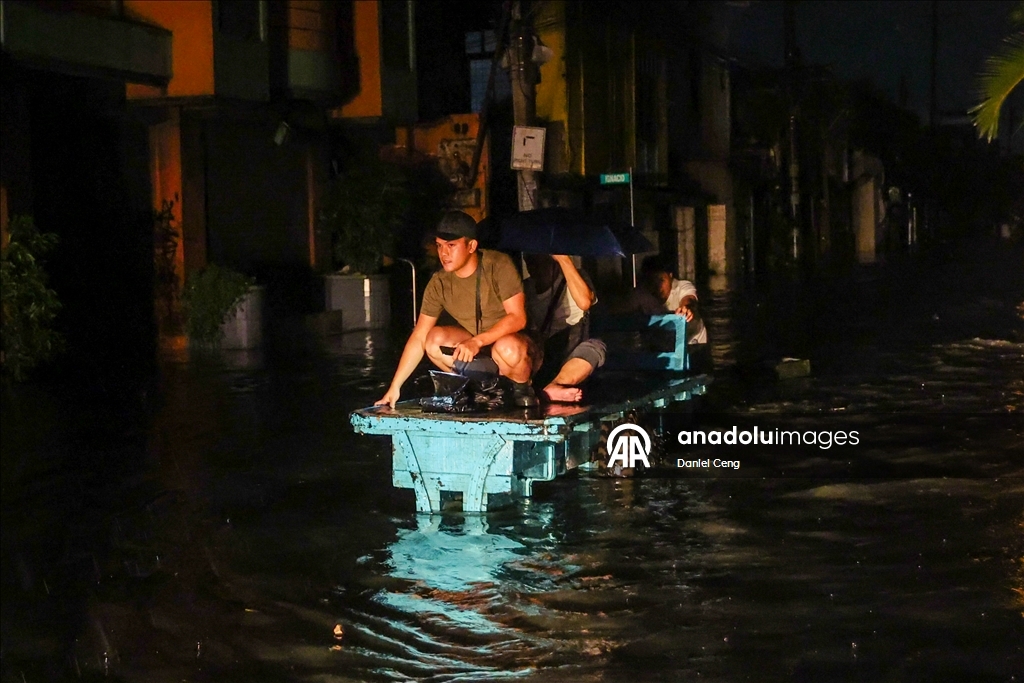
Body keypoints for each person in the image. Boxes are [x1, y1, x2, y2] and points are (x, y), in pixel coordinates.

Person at [375, 211, 540, 409]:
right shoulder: (439, 282)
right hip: (479, 353)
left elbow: (518, 318)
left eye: (451, 246)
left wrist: (477, 341)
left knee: (507, 347)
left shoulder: (498, 265)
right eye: (439, 245)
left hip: (516, 349)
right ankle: (477, 389)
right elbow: (419, 336)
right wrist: (395, 387)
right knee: (433, 339)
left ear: (471, 246)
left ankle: (521, 389)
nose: (443, 253)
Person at [522, 254, 607, 403]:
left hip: (574, 345)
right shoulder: (526, 288)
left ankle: (555, 386)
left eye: (541, 262)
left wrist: (563, 259)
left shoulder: (576, 277)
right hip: (543, 351)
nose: (535, 268)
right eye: (530, 262)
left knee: (595, 347)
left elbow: (585, 302)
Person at [630, 257, 707, 344]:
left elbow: (689, 299)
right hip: (661, 344)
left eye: (661, 280)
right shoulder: (642, 293)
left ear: (670, 275)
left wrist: (686, 308)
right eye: (652, 281)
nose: (657, 287)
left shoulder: (682, 286)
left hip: (693, 343)